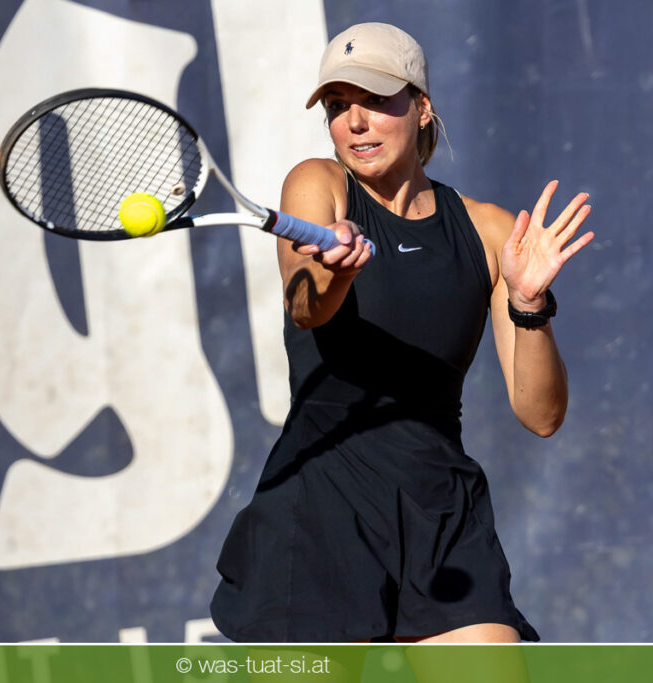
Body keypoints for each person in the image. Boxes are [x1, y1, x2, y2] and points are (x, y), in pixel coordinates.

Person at [210, 22, 594, 644]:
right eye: (338, 106)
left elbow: (541, 415)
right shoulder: (317, 184)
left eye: (376, 100)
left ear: (421, 108)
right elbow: (305, 306)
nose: (355, 123)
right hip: (321, 505)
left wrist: (530, 303)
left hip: (440, 510)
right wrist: (336, 273)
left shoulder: (491, 232)